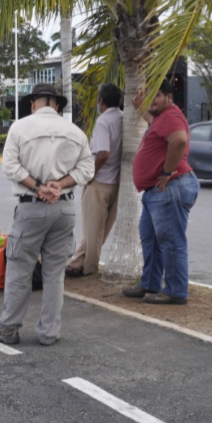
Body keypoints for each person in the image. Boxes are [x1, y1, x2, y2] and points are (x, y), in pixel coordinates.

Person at [0, 83, 94, 347]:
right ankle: (49, 332)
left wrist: (38, 187)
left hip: (31, 207)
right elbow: (87, 169)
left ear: (33, 104)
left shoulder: (19, 127)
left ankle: (9, 329)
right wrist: (61, 184)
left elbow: (10, 167)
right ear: (57, 105)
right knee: (54, 273)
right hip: (65, 208)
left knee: (19, 270)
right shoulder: (75, 132)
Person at [122, 78, 197, 305]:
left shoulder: (171, 116)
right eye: (148, 95)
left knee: (171, 242)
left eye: (156, 95)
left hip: (169, 187)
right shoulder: (161, 118)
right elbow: (154, 124)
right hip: (155, 192)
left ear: (169, 98)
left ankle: (176, 291)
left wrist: (167, 172)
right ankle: (150, 283)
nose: (151, 99)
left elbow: (179, 141)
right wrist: (142, 108)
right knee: (150, 240)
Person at [66, 83, 123, 278]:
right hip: (117, 182)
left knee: (92, 229)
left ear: (102, 101)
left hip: (100, 181)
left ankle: (89, 267)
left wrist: (90, 174)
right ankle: (76, 262)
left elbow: (104, 153)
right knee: (101, 229)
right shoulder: (124, 118)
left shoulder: (103, 121)